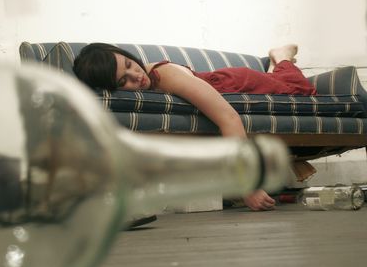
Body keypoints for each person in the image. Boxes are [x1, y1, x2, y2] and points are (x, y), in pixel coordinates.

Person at [73, 43, 317, 211]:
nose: (135, 75)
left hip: (235, 83)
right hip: (217, 84)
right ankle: (275, 69)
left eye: (129, 64)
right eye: (122, 81)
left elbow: (229, 119)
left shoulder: (163, 74)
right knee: (283, 82)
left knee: (299, 89)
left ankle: (281, 56)